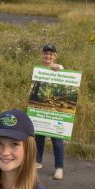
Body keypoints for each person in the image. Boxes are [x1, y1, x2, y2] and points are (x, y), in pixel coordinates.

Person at [34, 44, 66, 180]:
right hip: (41, 107)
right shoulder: (39, 70)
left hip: (55, 109)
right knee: (38, 137)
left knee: (57, 138)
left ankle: (59, 168)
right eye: (46, 53)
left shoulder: (59, 69)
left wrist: (59, 69)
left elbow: (66, 81)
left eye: (51, 54)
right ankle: (37, 162)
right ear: (42, 55)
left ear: (55, 56)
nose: (48, 56)